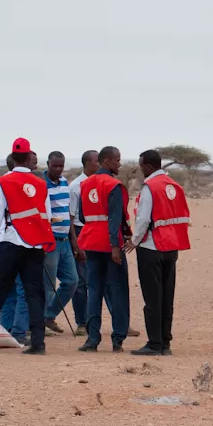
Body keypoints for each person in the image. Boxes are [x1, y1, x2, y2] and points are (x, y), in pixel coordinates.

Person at [0, 138, 55, 355]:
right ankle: (38, 343)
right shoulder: (40, 184)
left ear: (12, 157)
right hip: (34, 246)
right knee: (34, 294)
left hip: (10, 243)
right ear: (29, 157)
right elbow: (47, 216)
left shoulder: (3, 182)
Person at [124, 150, 191, 356]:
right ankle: (165, 343)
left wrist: (134, 241)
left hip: (151, 248)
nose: (140, 170)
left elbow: (143, 219)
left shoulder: (150, 187)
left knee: (153, 298)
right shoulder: (175, 186)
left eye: (141, 165)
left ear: (149, 167)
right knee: (166, 297)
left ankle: (154, 343)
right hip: (172, 247)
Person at [76, 146, 132, 352]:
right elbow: (117, 218)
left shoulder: (85, 184)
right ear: (107, 162)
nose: (120, 163)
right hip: (110, 245)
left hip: (90, 242)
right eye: (117, 160)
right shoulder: (114, 185)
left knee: (94, 290)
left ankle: (92, 338)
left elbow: (82, 216)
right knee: (117, 290)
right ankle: (118, 338)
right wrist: (115, 246)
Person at [41, 151, 82, 335]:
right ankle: (40, 322)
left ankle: (49, 315)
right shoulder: (41, 184)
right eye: (54, 166)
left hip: (65, 241)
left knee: (72, 281)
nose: (58, 169)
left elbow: (68, 214)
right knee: (47, 286)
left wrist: (74, 241)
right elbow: (43, 215)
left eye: (61, 166)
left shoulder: (65, 183)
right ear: (48, 164)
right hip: (50, 242)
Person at [0, 154, 30, 345]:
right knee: (22, 289)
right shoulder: (17, 186)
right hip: (17, 243)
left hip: (1, 243)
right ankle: (18, 331)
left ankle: (5, 329)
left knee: (8, 290)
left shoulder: (1, 185)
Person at [67, 150, 99, 338]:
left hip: (97, 232)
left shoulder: (102, 183)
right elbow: (71, 217)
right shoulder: (75, 186)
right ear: (87, 163)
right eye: (96, 161)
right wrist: (75, 243)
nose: (99, 164)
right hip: (80, 232)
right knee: (80, 281)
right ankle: (81, 322)